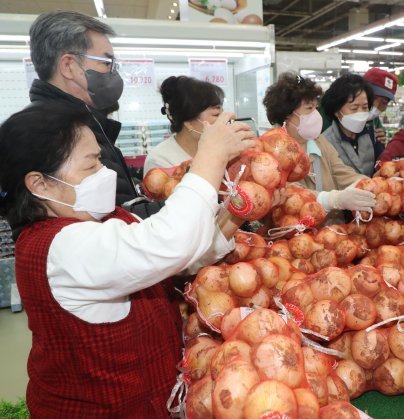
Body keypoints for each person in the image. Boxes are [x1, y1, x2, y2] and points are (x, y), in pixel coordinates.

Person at [0, 105, 255, 416]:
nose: (104, 173)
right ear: (40, 184)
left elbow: (175, 259)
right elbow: (169, 242)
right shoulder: (60, 247)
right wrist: (211, 156)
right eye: (90, 165)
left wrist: (240, 212)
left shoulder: (100, 220)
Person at [27, 10, 161, 221]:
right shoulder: (59, 133)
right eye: (106, 63)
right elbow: (113, 221)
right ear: (69, 66)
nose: (112, 72)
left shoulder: (85, 121)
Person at [263, 72, 375, 224]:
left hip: (330, 233)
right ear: (287, 114)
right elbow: (288, 193)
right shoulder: (270, 150)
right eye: (309, 108)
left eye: (316, 107)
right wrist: (332, 199)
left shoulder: (319, 141)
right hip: (291, 235)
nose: (316, 114)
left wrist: (373, 184)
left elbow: (341, 173)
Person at [144, 75, 224, 174]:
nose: (224, 120)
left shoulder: (218, 148)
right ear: (189, 123)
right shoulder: (159, 161)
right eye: (216, 114)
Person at [321, 73, 384, 177]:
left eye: (365, 107)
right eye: (354, 108)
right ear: (337, 111)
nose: (360, 113)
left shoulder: (373, 135)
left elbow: (381, 165)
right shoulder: (325, 142)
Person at [363, 67, 398, 145]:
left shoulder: (375, 122)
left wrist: (380, 143)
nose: (376, 105)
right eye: (373, 97)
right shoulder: (337, 117)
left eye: (384, 102)